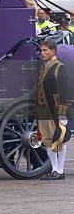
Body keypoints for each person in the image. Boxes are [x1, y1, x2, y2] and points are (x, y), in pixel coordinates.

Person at [37, 39, 70, 180]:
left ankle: (60, 170)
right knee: (47, 139)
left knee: (60, 138)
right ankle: (54, 169)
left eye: (45, 50)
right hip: (44, 109)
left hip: (56, 109)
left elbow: (64, 91)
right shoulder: (44, 67)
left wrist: (62, 113)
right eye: (41, 50)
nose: (42, 53)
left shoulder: (60, 67)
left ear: (53, 51)